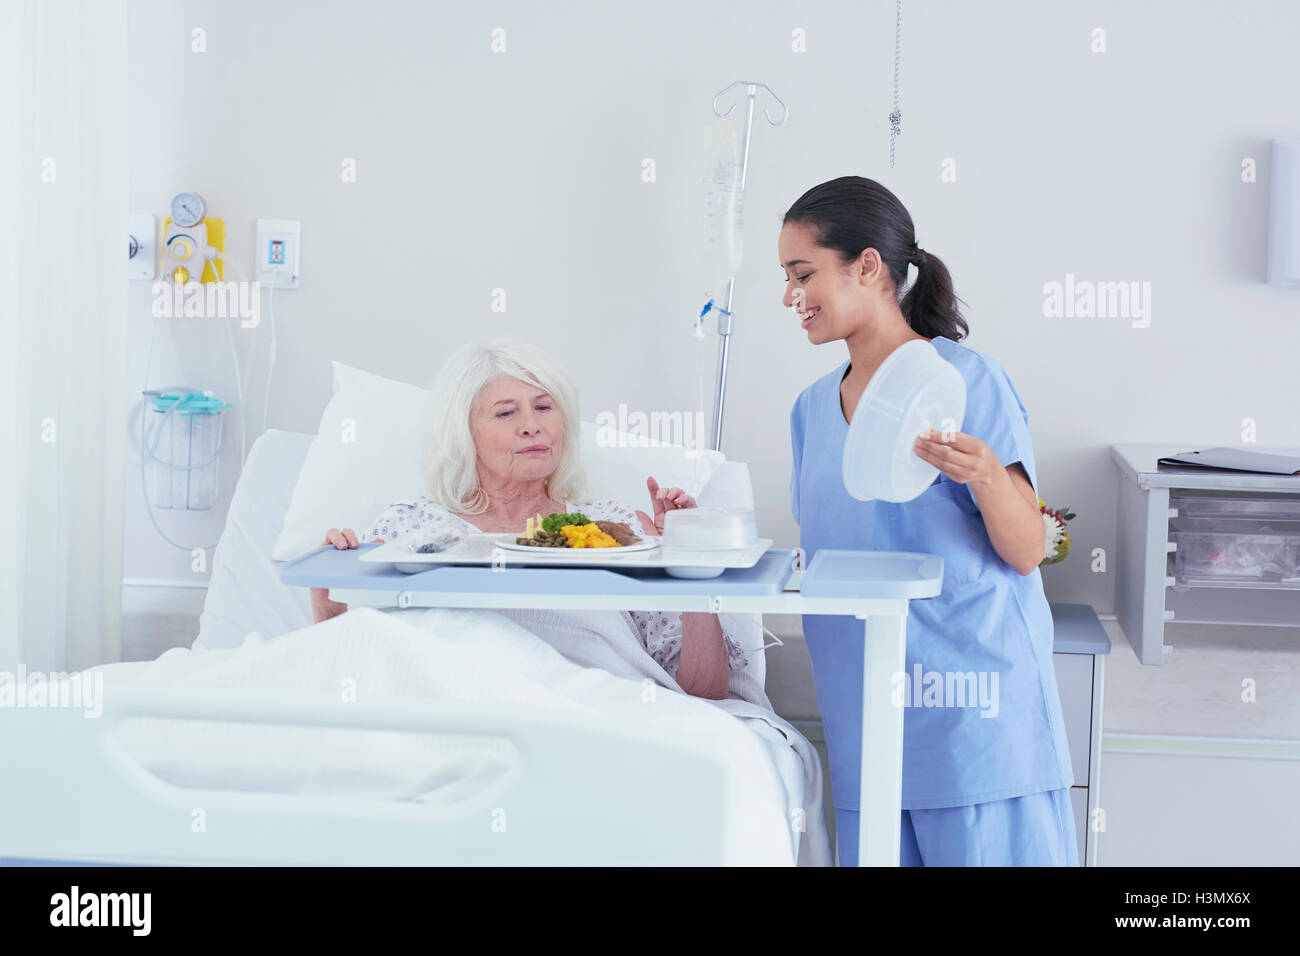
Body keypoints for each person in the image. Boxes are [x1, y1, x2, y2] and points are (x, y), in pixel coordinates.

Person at [781, 176, 1076, 865]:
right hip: (867, 728)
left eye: (803, 274)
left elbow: (1029, 549)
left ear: (868, 267)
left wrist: (985, 476)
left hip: (973, 725)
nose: (790, 296)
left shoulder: (967, 382)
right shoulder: (810, 411)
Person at [309, 337, 749, 700]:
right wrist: (329, 603)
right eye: (505, 413)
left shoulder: (617, 532)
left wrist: (686, 559)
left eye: (543, 407)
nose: (531, 426)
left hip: (597, 718)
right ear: (464, 434)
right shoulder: (409, 530)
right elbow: (357, 680)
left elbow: (704, 692)